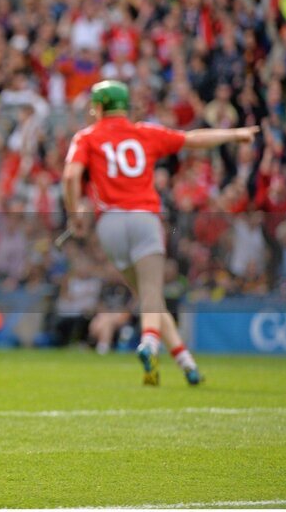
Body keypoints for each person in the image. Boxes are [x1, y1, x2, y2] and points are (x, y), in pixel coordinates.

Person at [63, 80, 259, 386]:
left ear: (99, 107)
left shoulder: (86, 137)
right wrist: (235, 134)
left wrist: (75, 214)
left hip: (109, 224)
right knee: (152, 294)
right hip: (144, 218)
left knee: (146, 298)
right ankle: (150, 344)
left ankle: (187, 364)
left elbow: (71, 176)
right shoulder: (146, 132)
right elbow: (193, 139)